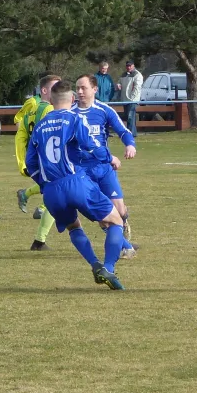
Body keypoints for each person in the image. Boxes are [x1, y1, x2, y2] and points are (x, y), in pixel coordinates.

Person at [25, 80, 126, 290]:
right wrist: (109, 158)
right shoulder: (75, 118)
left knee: (73, 227)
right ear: (72, 99)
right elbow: (91, 145)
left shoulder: (41, 126)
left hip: (51, 191)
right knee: (116, 221)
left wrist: (43, 183)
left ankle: (94, 264)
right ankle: (107, 266)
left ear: (51, 101)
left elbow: (30, 163)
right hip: (75, 182)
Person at [72, 74, 137, 257]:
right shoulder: (70, 114)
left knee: (120, 210)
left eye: (83, 88)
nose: (79, 92)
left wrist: (130, 145)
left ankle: (123, 228)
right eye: (77, 88)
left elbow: (122, 131)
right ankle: (124, 246)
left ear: (94, 89)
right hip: (82, 170)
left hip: (104, 168)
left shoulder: (103, 110)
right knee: (102, 214)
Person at [14, 74, 61, 250]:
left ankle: (39, 241)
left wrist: (22, 164)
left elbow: (20, 138)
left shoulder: (30, 113)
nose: (59, 91)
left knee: (55, 196)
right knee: (59, 197)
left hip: (38, 162)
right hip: (50, 161)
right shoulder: (49, 110)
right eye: (55, 88)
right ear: (44, 90)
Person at [118, 60, 143, 137]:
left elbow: (137, 87)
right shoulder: (124, 74)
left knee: (130, 116)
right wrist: (118, 84)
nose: (128, 67)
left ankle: (130, 134)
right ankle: (133, 133)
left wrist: (132, 97)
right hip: (125, 99)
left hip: (133, 100)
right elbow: (119, 82)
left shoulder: (137, 75)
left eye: (130, 66)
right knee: (128, 117)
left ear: (133, 66)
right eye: (127, 66)